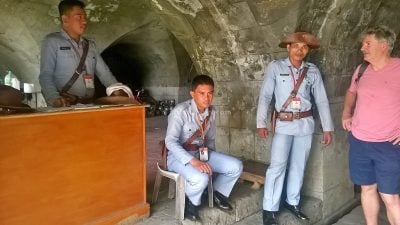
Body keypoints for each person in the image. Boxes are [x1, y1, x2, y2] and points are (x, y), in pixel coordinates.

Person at [256, 32, 334, 225]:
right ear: (288, 47)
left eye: (304, 47)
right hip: (283, 124)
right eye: (296, 46)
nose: (300, 50)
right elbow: (265, 96)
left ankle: (293, 202)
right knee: (277, 166)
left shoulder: (312, 70)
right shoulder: (276, 67)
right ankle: (270, 208)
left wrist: (327, 127)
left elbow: (322, 100)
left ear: (308, 50)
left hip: (305, 124)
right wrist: (260, 122)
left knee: (299, 166)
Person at [342, 25, 400, 225]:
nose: (362, 48)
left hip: (388, 144)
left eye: (368, 43)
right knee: (367, 189)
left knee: (390, 196)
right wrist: (346, 112)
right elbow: (352, 92)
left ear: (384, 46)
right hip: (359, 141)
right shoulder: (362, 69)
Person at [165, 74, 243, 221]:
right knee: (201, 179)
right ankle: (190, 203)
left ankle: (217, 194)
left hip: (201, 153)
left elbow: (210, 140)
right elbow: (170, 142)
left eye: (210, 93)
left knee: (236, 166)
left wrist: (211, 161)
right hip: (178, 156)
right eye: (202, 93)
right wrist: (194, 162)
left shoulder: (211, 112)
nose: (207, 98)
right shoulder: (180, 112)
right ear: (192, 94)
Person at [39, 0, 129, 107]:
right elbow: (45, 75)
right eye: (79, 17)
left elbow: (105, 74)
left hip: (89, 105)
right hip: (65, 107)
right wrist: (54, 98)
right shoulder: (52, 42)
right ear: (65, 19)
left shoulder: (90, 46)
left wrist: (118, 90)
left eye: (85, 17)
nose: (85, 21)